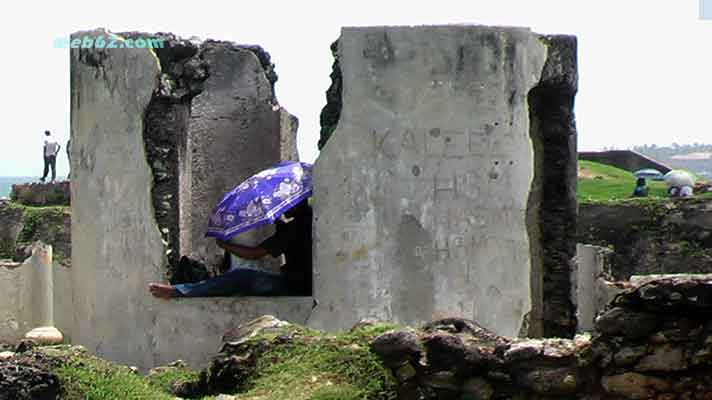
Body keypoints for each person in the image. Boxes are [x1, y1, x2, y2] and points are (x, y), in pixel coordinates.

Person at [149, 199, 312, 298]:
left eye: (286, 204)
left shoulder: (295, 228)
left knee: (241, 277)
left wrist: (224, 245)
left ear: (297, 203)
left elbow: (254, 254)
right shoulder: (308, 220)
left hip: (295, 285)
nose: (284, 207)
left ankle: (179, 291)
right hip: (303, 283)